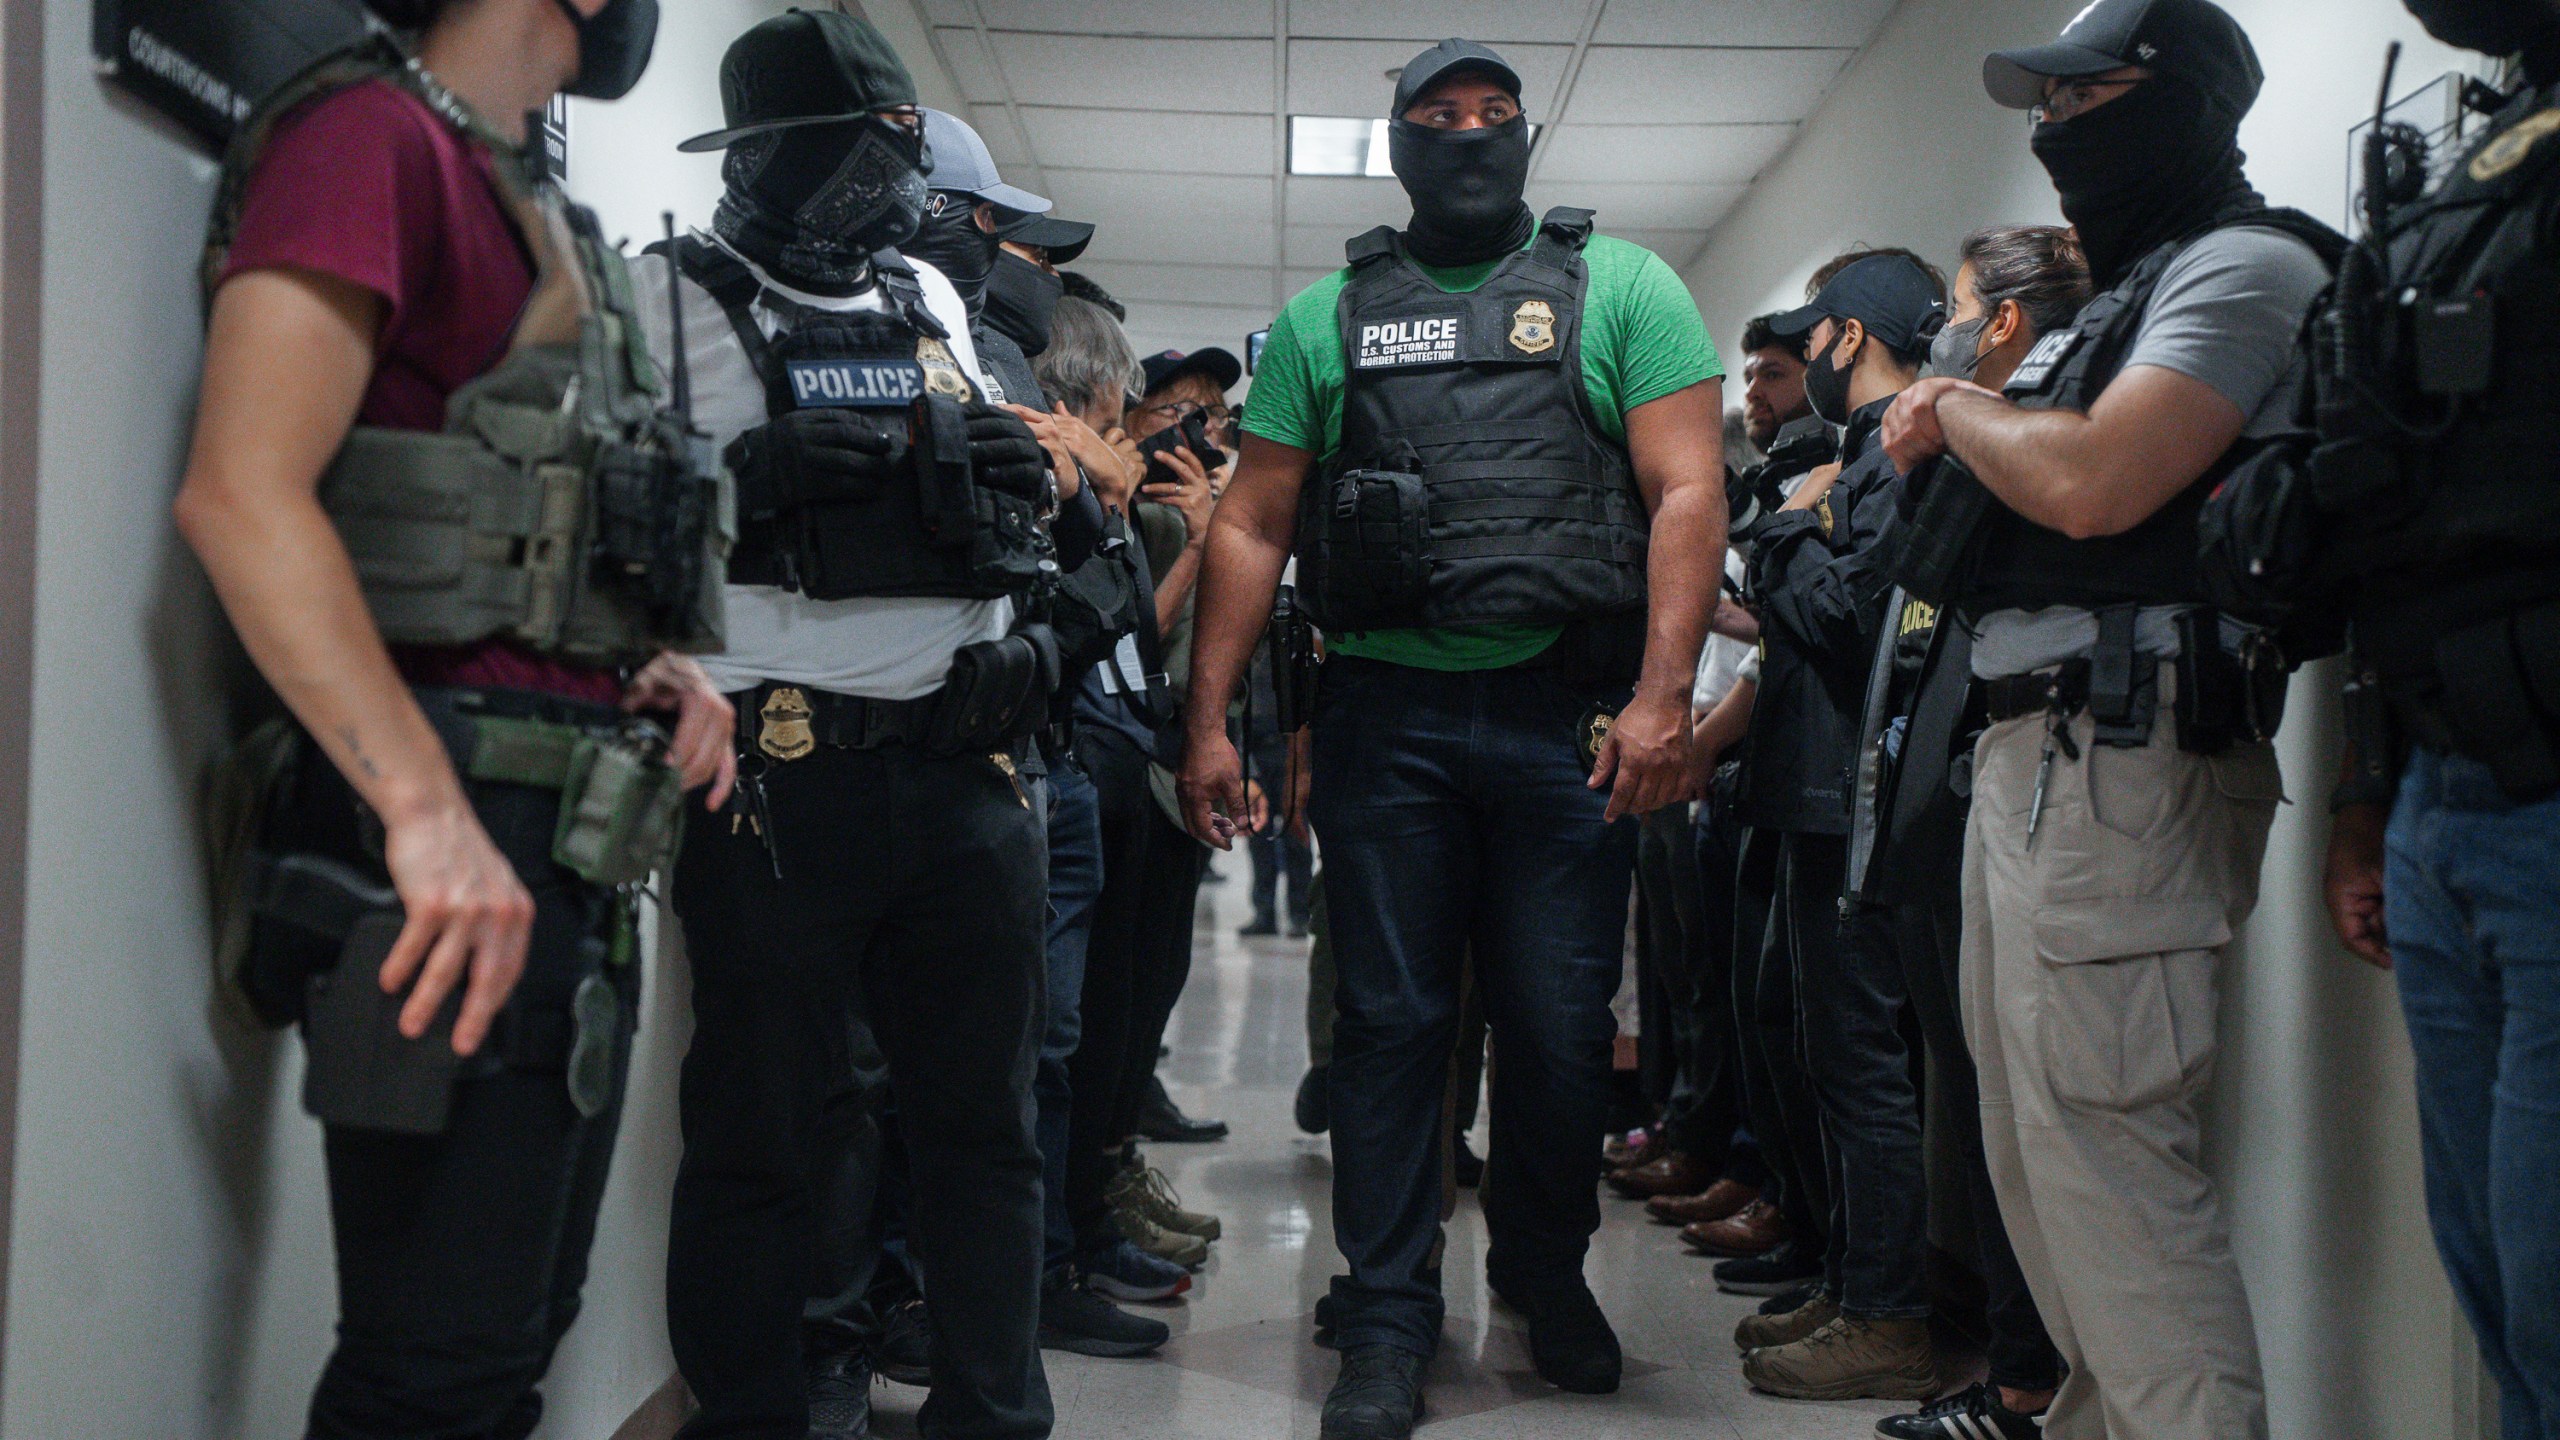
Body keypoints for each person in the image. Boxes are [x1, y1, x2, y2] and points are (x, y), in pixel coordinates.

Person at [181, 2, 736, 1435]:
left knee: (507, 1340)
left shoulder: (525, 200)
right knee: (435, 1366)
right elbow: (242, 493)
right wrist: (423, 813)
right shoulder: (371, 142)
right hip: (453, 820)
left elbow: (504, 522)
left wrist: (641, 666)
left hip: (563, 831)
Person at [1176, 38, 1727, 1439]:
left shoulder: (1625, 288)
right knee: (1390, 1025)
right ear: (1402, 146)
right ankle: (1386, 1309)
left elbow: (1685, 490)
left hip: (1567, 717)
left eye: (1495, 113)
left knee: (1558, 1028)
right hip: (1388, 719)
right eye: (1439, 114)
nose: (1470, 134)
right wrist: (1212, 723)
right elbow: (1253, 519)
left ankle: (1544, 1271)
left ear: (1527, 135)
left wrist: (1666, 694)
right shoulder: (1328, 317)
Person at [1882, 1, 2344, 1433]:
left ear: (2183, 98)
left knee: (2113, 1177)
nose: (2054, 130)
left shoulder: (2246, 265)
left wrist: (1952, 408)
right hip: (2042, 752)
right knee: (2039, 1166)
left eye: (2085, 100)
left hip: (2123, 754)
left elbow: (2094, 483)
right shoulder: (2129, 295)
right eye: (2048, 105)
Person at [630, 12, 1059, 1439]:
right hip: (776, 778)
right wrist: (744, 480)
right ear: (769, 153)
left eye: (900, 150)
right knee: (764, 1134)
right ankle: (751, 1416)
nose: (892, 182)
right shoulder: (665, 297)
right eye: (863, 152)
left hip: (963, 766)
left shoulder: (926, 296)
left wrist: (1018, 499)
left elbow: (987, 506)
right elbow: (606, 536)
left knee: (983, 1135)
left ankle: (993, 1414)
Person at [2313, 2, 2560, 1434]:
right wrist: (2368, 795)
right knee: (2499, 1292)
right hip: (2441, 797)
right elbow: (2395, 526)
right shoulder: (2486, 157)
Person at [1866, 226, 2085, 1440]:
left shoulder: (2035, 424)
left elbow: (1909, 580)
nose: (1938, 342)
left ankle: (2032, 1378)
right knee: (1990, 1109)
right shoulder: (1973, 428)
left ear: (2002, 321)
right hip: (1970, 786)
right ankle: (2023, 1376)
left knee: (2053, 1124)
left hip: (2042, 783)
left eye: (1954, 311)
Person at [1723, 251, 1945, 1402]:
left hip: (1855, 803)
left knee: (1860, 1064)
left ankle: (1886, 1313)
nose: (1803, 357)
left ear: (1851, 338)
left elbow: (1854, 627)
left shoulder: (1897, 460)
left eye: (1811, 338)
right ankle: (1850, 1280)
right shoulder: (1857, 459)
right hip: (1816, 796)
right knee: (1816, 1047)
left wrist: (1784, 528)